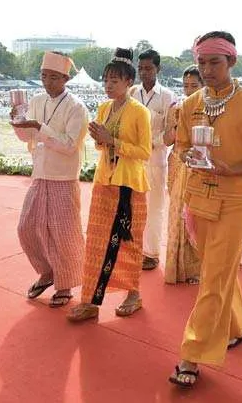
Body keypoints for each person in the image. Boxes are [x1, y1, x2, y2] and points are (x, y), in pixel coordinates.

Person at [169, 32, 242, 388]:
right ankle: (239, 326)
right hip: (198, 197)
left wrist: (232, 170)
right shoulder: (190, 104)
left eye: (215, 62)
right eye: (202, 62)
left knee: (213, 277)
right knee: (217, 271)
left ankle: (192, 353)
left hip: (234, 201)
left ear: (232, 62)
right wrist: (189, 156)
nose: (207, 69)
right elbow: (181, 146)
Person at [68, 48, 151, 322]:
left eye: (114, 80)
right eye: (106, 80)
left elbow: (144, 152)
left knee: (129, 242)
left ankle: (134, 294)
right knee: (96, 242)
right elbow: (101, 145)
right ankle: (90, 301)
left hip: (129, 187)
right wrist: (101, 140)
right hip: (105, 181)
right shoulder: (104, 108)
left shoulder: (139, 112)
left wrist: (112, 140)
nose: (108, 85)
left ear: (129, 82)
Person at [12, 51, 89, 308]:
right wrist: (17, 122)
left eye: (54, 77)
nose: (47, 82)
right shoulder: (36, 100)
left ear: (66, 78)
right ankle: (47, 272)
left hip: (64, 177)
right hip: (40, 174)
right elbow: (26, 137)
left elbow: (69, 145)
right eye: (44, 76)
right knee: (26, 227)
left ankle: (65, 285)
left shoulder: (76, 107)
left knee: (63, 233)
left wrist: (38, 127)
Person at [130, 49, 175, 270]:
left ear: (158, 69)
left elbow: (172, 133)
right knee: (133, 207)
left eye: (148, 68)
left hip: (156, 160)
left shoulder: (168, 96)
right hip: (132, 161)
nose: (143, 72)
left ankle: (151, 253)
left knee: (155, 209)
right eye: (140, 68)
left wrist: (149, 143)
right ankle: (134, 250)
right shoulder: (131, 93)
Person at [163, 66, 202, 285]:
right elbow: (167, 140)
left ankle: (195, 267)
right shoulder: (175, 107)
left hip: (197, 164)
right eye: (186, 86)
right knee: (176, 213)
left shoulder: (207, 109)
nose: (189, 90)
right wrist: (176, 125)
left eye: (194, 86)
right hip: (177, 162)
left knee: (193, 214)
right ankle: (176, 266)